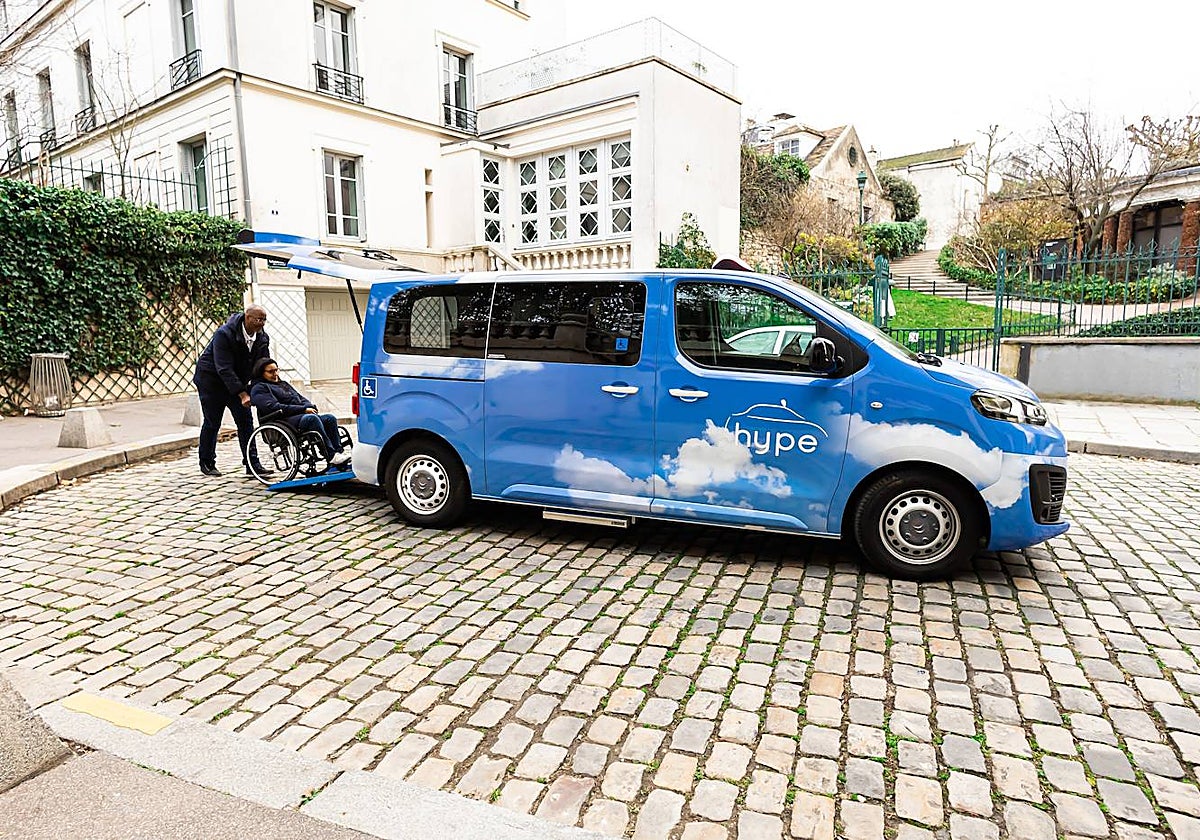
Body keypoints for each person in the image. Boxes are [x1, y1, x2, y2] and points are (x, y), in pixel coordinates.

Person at [193, 305, 272, 476]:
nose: (262, 323)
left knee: (246, 422)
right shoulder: (224, 334)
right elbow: (224, 368)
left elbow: (262, 365)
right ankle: (207, 462)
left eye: (264, 320)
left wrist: (264, 387)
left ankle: (252, 464)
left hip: (236, 381)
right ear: (247, 318)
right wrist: (242, 394)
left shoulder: (262, 338)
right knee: (212, 422)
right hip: (211, 381)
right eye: (259, 319)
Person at [249, 358, 351, 467]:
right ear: (261, 373)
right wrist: (303, 409)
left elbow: (300, 398)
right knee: (311, 419)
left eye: (276, 370)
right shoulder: (259, 389)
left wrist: (309, 406)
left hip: (297, 417)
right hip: (281, 420)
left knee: (329, 418)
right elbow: (273, 407)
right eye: (271, 372)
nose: (275, 374)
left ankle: (338, 452)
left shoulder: (283, 384)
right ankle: (331, 455)